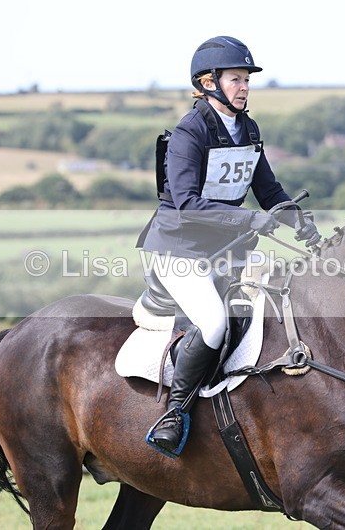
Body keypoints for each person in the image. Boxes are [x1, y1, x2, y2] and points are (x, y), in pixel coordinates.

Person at [136, 35, 321, 457]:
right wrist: (250, 218)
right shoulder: (190, 131)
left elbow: (269, 189)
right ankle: (175, 412)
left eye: (246, 80)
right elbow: (185, 202)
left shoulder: (248, 129)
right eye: (236, 79)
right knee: (214, 322)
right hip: (179, 250)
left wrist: (299, 221)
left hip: (229, 249)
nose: (244, 87)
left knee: (284, 300)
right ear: (207, 82)